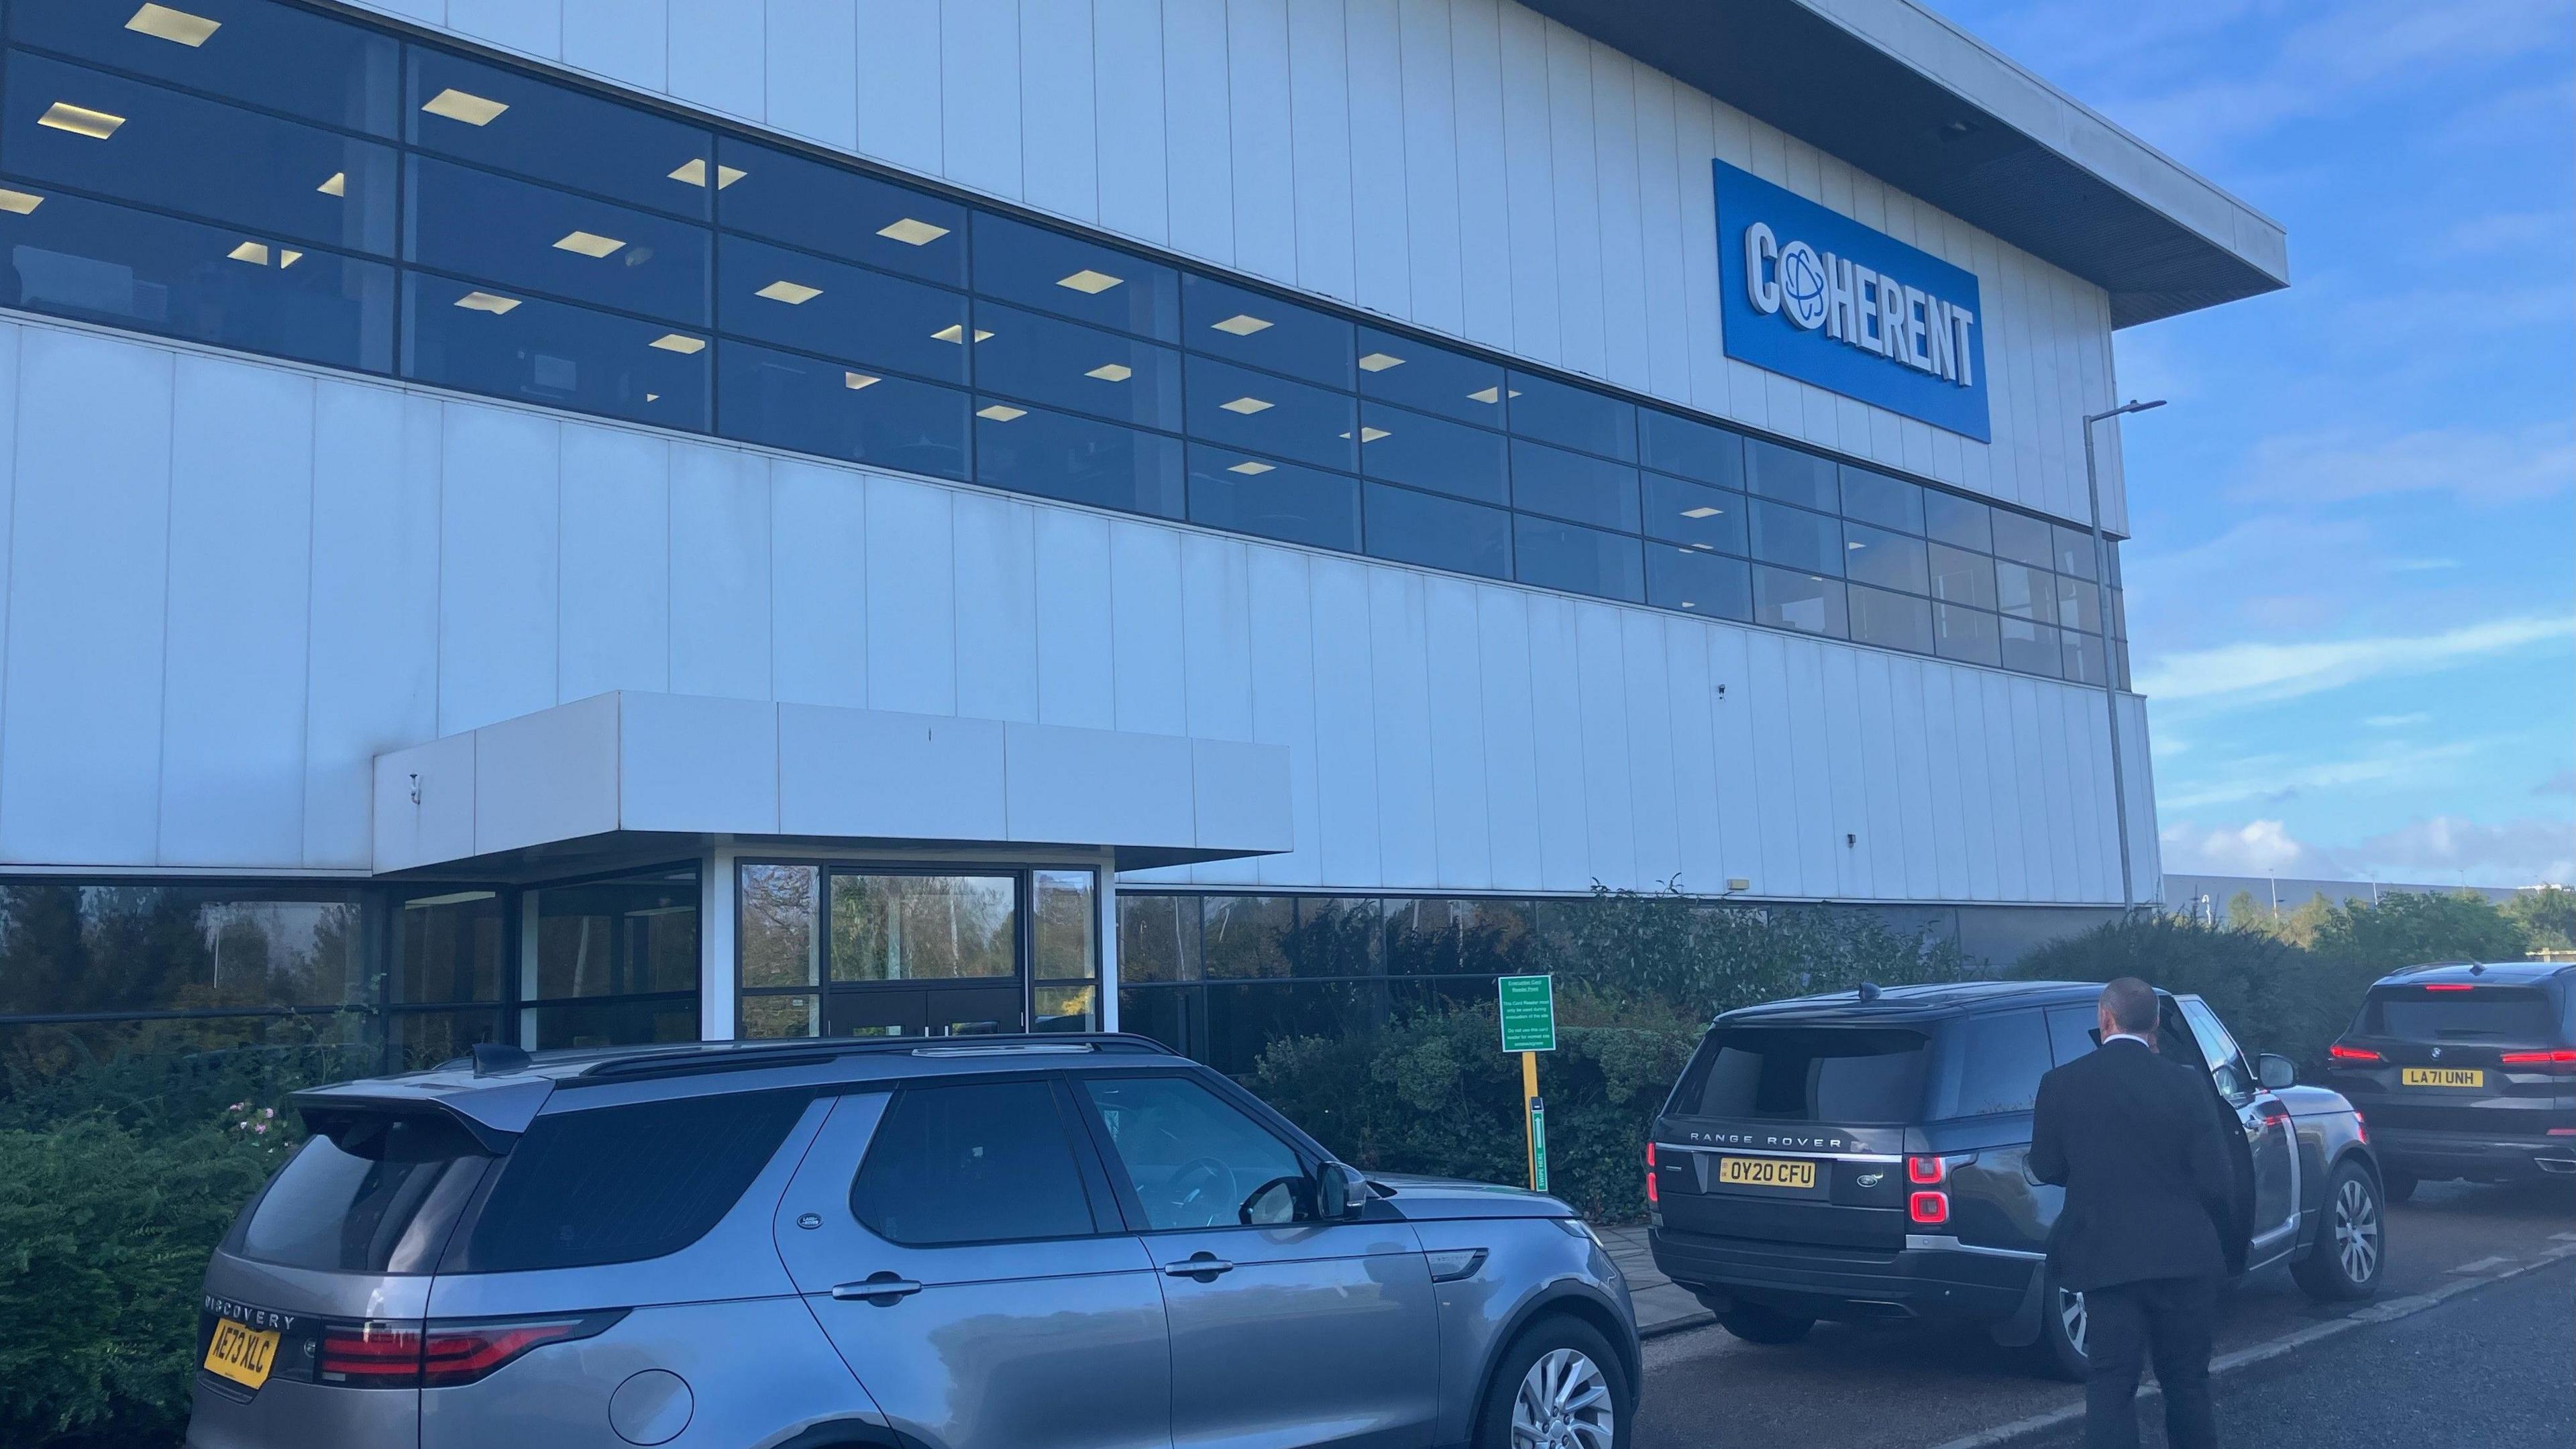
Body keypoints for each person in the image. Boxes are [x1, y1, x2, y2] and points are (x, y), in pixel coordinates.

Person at [2029, 976, 2237, 1449]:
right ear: (2156, 1023)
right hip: (2186, 1258)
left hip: (2107, 1260)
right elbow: (2217, 1180)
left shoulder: (2062, 1084)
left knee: (2110, 1384)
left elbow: (2045, 1166)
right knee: (2187, 1383)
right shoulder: (2185, 1084)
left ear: (2105, 1019)